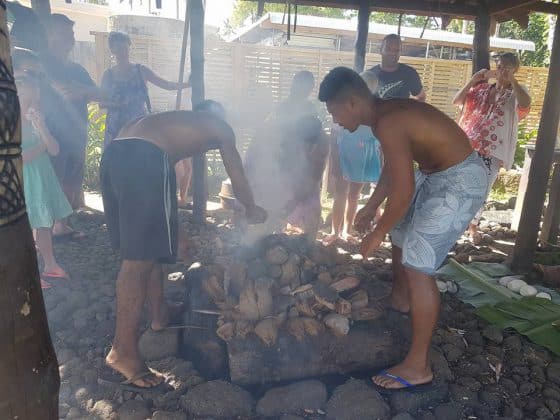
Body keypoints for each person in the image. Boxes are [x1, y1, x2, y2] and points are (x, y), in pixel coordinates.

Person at [319, 67, 488, 390]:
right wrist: (371, 207)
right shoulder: (384, 115)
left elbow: (404, 190)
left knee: (417, 262)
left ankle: (418, 364)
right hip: (435, 173)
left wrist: (376, 232)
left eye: (334, 111)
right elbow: (394, 169)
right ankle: (400, 301)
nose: (335, 121)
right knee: (401, 236)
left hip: (459, 181)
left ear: (352, 102)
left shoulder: (388, 121)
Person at [100, 101, 266, 389]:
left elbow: (158, 194)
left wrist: (176, 232)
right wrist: (252, 208)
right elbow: (237, 176)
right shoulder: (219, 127)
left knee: (143, 251)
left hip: (114, 156)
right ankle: (123, 351)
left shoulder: (160, 125)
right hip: (144, 162)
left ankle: (158, 315)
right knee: (136, 262)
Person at [453, 53, 531, 237]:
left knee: (481, 188)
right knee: (459, 183)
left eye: (508, 67)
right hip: (467, 145)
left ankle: (472, 225)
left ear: (515, 70)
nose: (502, 70)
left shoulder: (517, 93)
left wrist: (512, 80)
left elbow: (526, 103)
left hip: (492, 151)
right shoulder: (482, 89)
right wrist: (473, 80)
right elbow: (457, 101)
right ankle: (455, 222)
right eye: (500, 66)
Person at [41, 13, 103, 236]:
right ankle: (44, 230)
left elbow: (100, 93)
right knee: (52, 181)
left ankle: (61, 224)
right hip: (49, 136)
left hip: (76, 136)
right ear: (49, 34)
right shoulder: (39, 64)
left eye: (71, 33)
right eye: (64, 32)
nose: (70, 37)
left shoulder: (77, 69)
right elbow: (54, 90)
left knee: (71, 182)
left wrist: (83, 90)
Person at [15, 51, 73, 289]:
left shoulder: (36, 118)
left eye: (34, 99)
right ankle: (29, 272)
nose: (33, 103)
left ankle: (50, 263)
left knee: (44, 224)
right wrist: (41, 144)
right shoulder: (10, 121)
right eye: (29, 98)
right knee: (26, 228)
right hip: (24, 179)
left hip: (42, 176)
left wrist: (42, 127)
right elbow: (20, 158)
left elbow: (55, 149)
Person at [101, 31, 190, 146]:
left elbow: (166, 85)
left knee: (140, 160)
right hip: (115, 130)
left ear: (129, 47)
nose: (123, 51)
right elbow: (101, 103)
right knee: (115, 162)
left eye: (125, 47)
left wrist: (187, 84)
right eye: (119, 47)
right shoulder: (108, 75)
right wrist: (118, 104)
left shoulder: (141, 71)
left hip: (139, 128)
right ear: (112, 50)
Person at [324, 70, 383, 245]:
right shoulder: (343, 104)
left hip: (365, 154)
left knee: (354, 195)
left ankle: (346, 231)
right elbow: (334, 135)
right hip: (345, 152)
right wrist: (334, 162)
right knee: (341, 193)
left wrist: (380, 156)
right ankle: (335, 231)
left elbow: (380, 135)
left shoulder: (376, 109)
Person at [369, 34, 426, 101]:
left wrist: (408, 108)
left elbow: (421, 97)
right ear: (381, 50)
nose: (392, 53)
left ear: (400, 53)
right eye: (388, 49)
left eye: (396, 50)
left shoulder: (409, 73)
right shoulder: (370, 75)